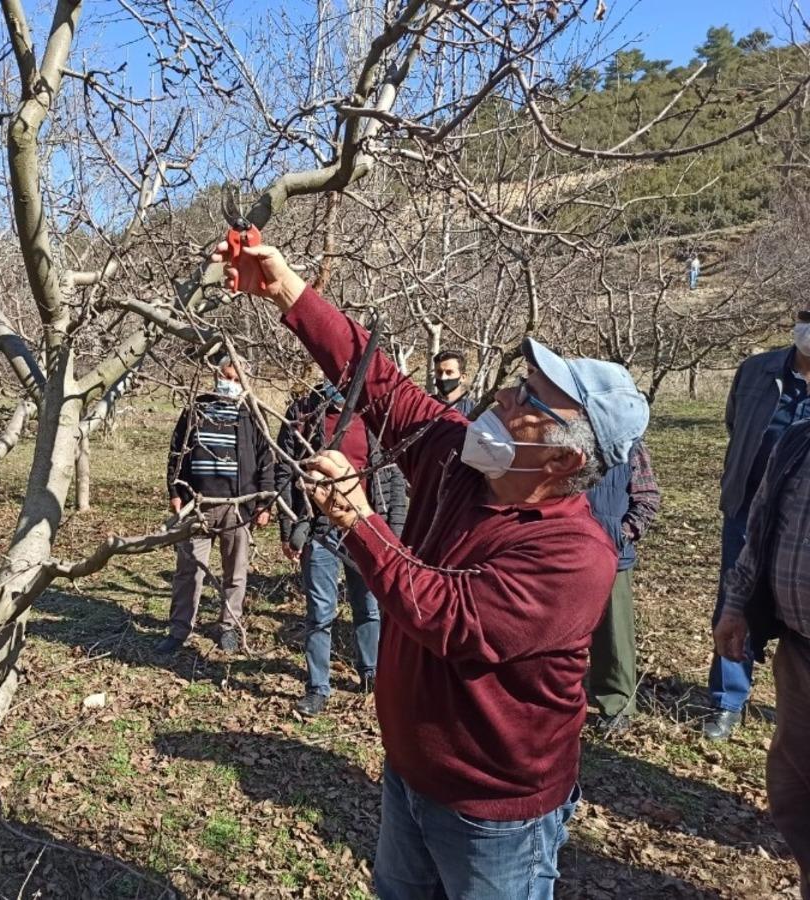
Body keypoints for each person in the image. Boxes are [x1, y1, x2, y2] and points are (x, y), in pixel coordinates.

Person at [217, 240, 648, 900]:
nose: (503, 397)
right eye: (516, 384)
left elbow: (446, 615)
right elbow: (384, 388)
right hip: (409, 777)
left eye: (529, 400)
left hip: (493, 817)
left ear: (564, 463)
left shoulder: (576, 556)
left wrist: (360, 521)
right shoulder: (464, 463)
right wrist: (288, 293)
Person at [714, 418, 810, 900]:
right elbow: (760, 527)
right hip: (799, 651)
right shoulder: (798, 438)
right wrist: (736, 605)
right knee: (795, 793)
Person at [705, 310, 810, 740]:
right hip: (747, 508)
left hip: (801, 520)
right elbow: (735, 425)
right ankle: (728, 699)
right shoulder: (757, 370)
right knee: (735, 599)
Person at [276, 377, 408, 716]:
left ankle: (372, 676)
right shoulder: (304, 414)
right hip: (320, 528)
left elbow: (393, 477)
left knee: (369, 606)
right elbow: (284, 473)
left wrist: (392, 532)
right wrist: (290, 528)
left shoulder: (377, 416)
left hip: (365, 526)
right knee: (320, 611)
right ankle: (318, 687)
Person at [159, 355, 274, 654]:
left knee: (235, 573)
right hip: (196, 503)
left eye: (237, 381)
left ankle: (228, 627)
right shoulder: (196, 410)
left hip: (238, 506)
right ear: (216, 376)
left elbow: (267, 462)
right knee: (188, 570)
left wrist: (264, 503)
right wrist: (175, 490)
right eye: (226, 378)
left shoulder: (253, 415)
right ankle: (179, 629)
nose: (230, 385)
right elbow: (177, 452)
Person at [586, 439, 661, 735]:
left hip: (611, 556)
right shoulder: (556, 434)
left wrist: (620, 534)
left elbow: (648, 498)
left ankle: (616, 705)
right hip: (560, 551)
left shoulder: (630, 445)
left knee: (614, 635)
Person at [432, 350, 477, 418]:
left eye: (449, 372)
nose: (443, 377)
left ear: (463, 377)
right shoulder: (426, 405)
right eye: (439, 372)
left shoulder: (473, 409)